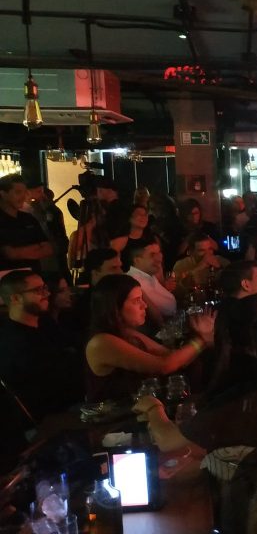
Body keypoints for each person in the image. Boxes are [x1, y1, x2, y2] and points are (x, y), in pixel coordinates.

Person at [85, 274, 213, 402]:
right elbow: (164, 365)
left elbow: (171, 356)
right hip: (112, 413)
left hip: (137, 409)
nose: (144, 305)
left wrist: (203, 338)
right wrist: (201, 340)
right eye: (136, 301)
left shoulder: (128, 333)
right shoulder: (101, 343)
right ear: (115, 308)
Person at [0, 270, 82, 421]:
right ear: (16, 298)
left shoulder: (44, 325)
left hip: (71, 402)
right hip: (54, 416)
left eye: (45, 288)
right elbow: (50, 386)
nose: (47, 294)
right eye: (38, 290)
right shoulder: (15, 342)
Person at [0, 174, 53, 273]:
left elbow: (48, 249)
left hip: (34, 275)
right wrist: (37, 248)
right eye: (18, 192)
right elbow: (9, 254)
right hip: (7, 278)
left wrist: (18, 252)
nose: (23, 197)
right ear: (3, 194)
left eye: (24, 192)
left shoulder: (28, 218)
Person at [125, 239, 177, 327]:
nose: (159, 259)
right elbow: (164, 309)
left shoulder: (147, 275)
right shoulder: (135, 280)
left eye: (159, 253)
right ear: (137, 260)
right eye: (152, 255)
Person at [172, 233, 229, 301]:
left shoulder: (221, 260)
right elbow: (178, 293)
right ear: (191, 252)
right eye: (202, 250)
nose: (208, 254)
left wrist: (219, 267)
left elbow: (233, 284)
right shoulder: (181, 265)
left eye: (210, 249)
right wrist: (198, 268)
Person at [110, 205, 156, 269]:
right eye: (139, 214)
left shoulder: (153, 239)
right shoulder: (120, 242)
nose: (143, 217)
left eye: (145, 215)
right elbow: (112, 265)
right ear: (130, 218)